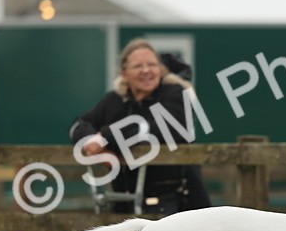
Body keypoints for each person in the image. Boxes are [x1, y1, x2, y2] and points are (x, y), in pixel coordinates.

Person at [70, 38, 211, 218]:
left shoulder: (176, 94)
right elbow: (79, 124)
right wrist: (91, 143)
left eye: (152, 64)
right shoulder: (115, 100)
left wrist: (105, 137)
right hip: (124, 205)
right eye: (138, 66)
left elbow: (154, 130)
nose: (146, 71)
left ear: (160, 68)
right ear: (124, 73)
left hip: (176, 206)